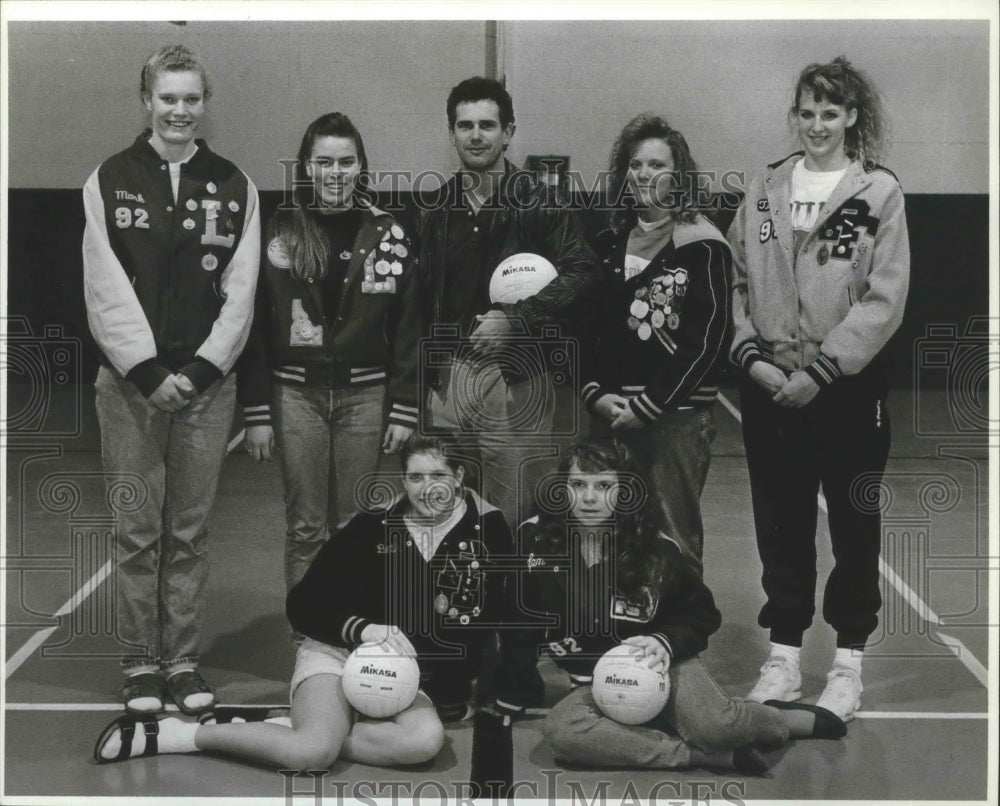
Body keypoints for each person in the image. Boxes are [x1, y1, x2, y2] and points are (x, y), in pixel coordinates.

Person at [94, 435, 513, 769]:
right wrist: (363, 629)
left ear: (459, 476)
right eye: (414, 477)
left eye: (437, 475)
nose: (426, 489)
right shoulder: (374, 527)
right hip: (340, 651)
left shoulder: (489, 530)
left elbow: (493, 619)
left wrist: (468, 683)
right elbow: (304, 604)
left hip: (405, 672)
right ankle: (177, 735)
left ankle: (286, 729)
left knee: (424, 742)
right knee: (310, 755)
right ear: (402, 480)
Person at [728, 57, 909, 720]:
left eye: (830, 113)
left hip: (846, 393)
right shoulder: (765, 187)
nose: (817, 126)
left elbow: (884, 300)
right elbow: (737, 283)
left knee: (854, 526)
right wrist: (754, 359)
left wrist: (823, 372)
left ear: (852, 116)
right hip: (771, 388)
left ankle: (848, 663)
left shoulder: (878, 194)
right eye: (807, 113)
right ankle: (782, 657)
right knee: (782, 525)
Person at [82, 45, 260, 715]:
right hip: (129, 390)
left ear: (204, 102)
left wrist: (204, 369)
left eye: (191, 98)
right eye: (168, 97)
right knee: (136, 532)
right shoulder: (107, 179)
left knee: (188, 532)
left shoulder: (234, 183)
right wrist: (150, 372)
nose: (180, 110)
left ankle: (182, 661)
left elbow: (240, 293)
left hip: (208, 390)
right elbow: (103, 289)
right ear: (146, 101)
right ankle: (138, 665)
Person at [493, 439, 846, 773]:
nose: (589, 498)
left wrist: (664, 642)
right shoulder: (534, 540)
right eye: (578, 485)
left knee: (716, 727)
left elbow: (702, 614)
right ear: (562, 488)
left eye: (603, 486)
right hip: (596, 683)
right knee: (563, 732)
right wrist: (513, 690)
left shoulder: (656, 549)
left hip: (664, 665)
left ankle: (773, 720)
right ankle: (694, 755)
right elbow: (519, 619)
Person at [237, 112, 423, 593]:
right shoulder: (279, 230)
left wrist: (404, 406)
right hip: (296, 397)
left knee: (356, 525)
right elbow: (254, 323)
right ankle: (307, 637)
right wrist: (256, 410)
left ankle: (350, 630)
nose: (335, 173)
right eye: (324, 162)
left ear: (361, 165)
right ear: (306, 166)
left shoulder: (388, 233)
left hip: (367, 396)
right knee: (305, 528)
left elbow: (408, 326)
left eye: (346, 162)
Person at [418, 76, 599, 529]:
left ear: (509, 132)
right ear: (452, 133)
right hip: (449, 381)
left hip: (514, 382)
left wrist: (515, 320)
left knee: (512, 513)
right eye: (465, 126)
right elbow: (420, 301)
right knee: (447, 512)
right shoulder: (434, 210)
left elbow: (584, 274)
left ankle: (510, 601)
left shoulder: (542, 202)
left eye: (487, 125)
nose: (476, 135)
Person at [582, 114, 732, 572]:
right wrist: (594, 392)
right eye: (635, 164)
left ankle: (674, 639)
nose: (644, 174)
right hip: (610, 415)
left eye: (656, 165)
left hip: (674, 422)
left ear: (679, 175)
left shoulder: (703, 244)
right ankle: (610, 630)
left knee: (671, 536)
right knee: (603, 530)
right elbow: (589, 329)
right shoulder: (609, 240)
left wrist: (650, 404)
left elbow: (708, 341)